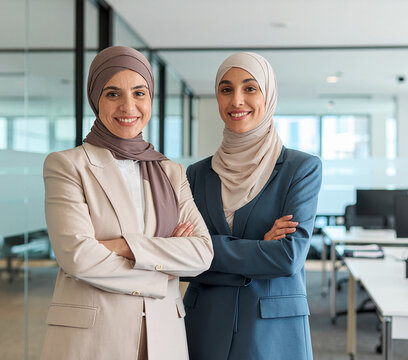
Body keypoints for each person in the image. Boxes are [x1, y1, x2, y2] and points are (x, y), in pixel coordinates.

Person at [41, 46, 213, 360]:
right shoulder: (67, 166)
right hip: (94, 338)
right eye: (112, 94)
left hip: (164, 334)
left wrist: (122, 246)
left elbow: (201, 254)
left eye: (139, 93)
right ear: (95, 99)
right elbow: (77, 256)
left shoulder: (170, 171)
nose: (128, 106)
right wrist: (164, 268)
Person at [182, 52, 322, 360]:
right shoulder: (196, 174)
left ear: (268, 95)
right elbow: (182, 260)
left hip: (272, 329)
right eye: (226, 89)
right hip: (205, 323)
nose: (237, 101)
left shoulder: (300, 168)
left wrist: (208, 250)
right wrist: (259, 248)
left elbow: (288, 257)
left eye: (250, 88)